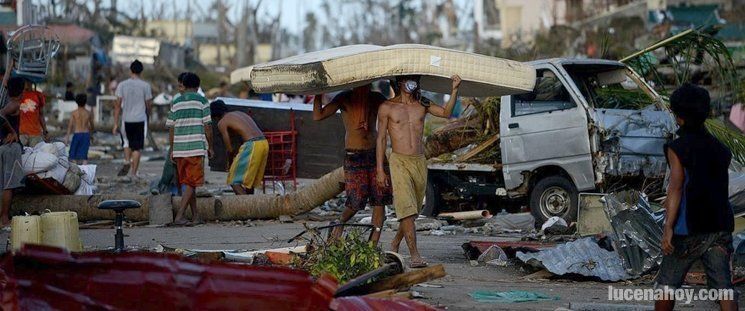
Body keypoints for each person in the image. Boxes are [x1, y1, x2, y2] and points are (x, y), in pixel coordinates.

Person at [655, 83, 737, 311]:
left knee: (666, 286)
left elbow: (676, 188)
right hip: (720, 226)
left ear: (679, 117)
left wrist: (668, 227)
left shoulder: (677, 147)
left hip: (688, 230)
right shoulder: (721, 149)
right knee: (724, 289)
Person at [376, 74, 461, 268]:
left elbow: (446, 113)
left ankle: (395, 243)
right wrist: (380, 169)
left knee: (412, 211)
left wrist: (455, 89)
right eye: (409, 79)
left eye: (416, 80)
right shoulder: (387, 107)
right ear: (400, 83)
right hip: (398, 161)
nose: (413, 83)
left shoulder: (422, 103)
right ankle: (414, 255)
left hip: (419, 161)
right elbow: (380, 139)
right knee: (405, 207)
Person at [313, 84, 392, 245]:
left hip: (375, 154)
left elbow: (395, 109)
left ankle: (372, 245)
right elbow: (318, 116)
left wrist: (396, 85)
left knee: (380, 200)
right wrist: (317, 93)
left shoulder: (376, 98)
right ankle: (339, 224)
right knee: (356, 200)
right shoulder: (344, 97)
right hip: (354, 155)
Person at [167, 72, 213, 226]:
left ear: (183, 85)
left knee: (189, 183)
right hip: (195, 148)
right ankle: (179, 216)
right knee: (192, 183)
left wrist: (172, 149)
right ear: (198, 86)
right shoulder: (202, 101)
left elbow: (171, 128)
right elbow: (208, 127)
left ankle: (195, 216)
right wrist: (211, 146)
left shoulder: (176, 102)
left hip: (179, 149)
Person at [210, 100, 268, 195]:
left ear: (214, 115)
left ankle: (247, 208)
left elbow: (229, 148)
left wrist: (230, 163)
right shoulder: (238, 113)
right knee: (250, 182)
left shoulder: (222, 123)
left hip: (252, 145)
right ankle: (251, 204)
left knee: (233, 181)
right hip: (263, 142)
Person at [113, 59, 153, 177]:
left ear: (131, 70)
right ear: (141, 71)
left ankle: (126, 160)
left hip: (126, 119)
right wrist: (148, 116)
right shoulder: (145, 86)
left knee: (126, 143)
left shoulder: (122, 85)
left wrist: (115, 123)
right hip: (140, 119)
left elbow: (117, 106)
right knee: (137, 147)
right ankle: (134, 173)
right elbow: (148, 105)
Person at [0, 77, 27, 228]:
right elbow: (1, 114)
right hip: (11, 148)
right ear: (21, 91)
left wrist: (10, 66)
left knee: (2, 184)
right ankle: (4, 218)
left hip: (3, 145)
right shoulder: (14, 104)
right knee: (8, 184)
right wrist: (12, 131)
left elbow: (4, 84)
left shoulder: (5, 99)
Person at [65, 94, 93, 165]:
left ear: (76, 102)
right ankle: (84, 171)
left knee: (72, 154)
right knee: (84, 155)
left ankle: (77, 170)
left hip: (77, 134)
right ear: (85, 102)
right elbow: (92, 126)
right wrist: (91, 135)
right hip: (86, 134)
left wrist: (67, 137)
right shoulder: (88, 113)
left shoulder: (74, 113)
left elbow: (70, 126)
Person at [18, 79, 47, 147]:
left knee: (35, 155)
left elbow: (41, 115)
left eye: (29, 81)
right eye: (26, 81)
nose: (27, 83)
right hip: (22, 133)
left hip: (35, 134)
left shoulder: (38, 95)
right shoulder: (19, 95)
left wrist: (45, 131)